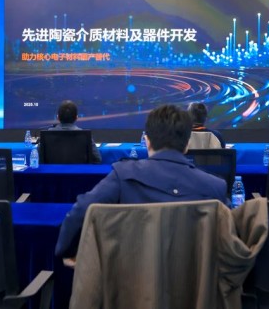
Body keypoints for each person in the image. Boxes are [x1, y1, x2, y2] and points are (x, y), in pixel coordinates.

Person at [55, 104, 227, 260]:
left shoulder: (123, 176)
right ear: (187, 144)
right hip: (196, 284)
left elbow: (79, 214)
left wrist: (67, 252)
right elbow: (232, 243)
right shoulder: (215, 188)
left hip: (132, 281)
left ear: (147, 141)